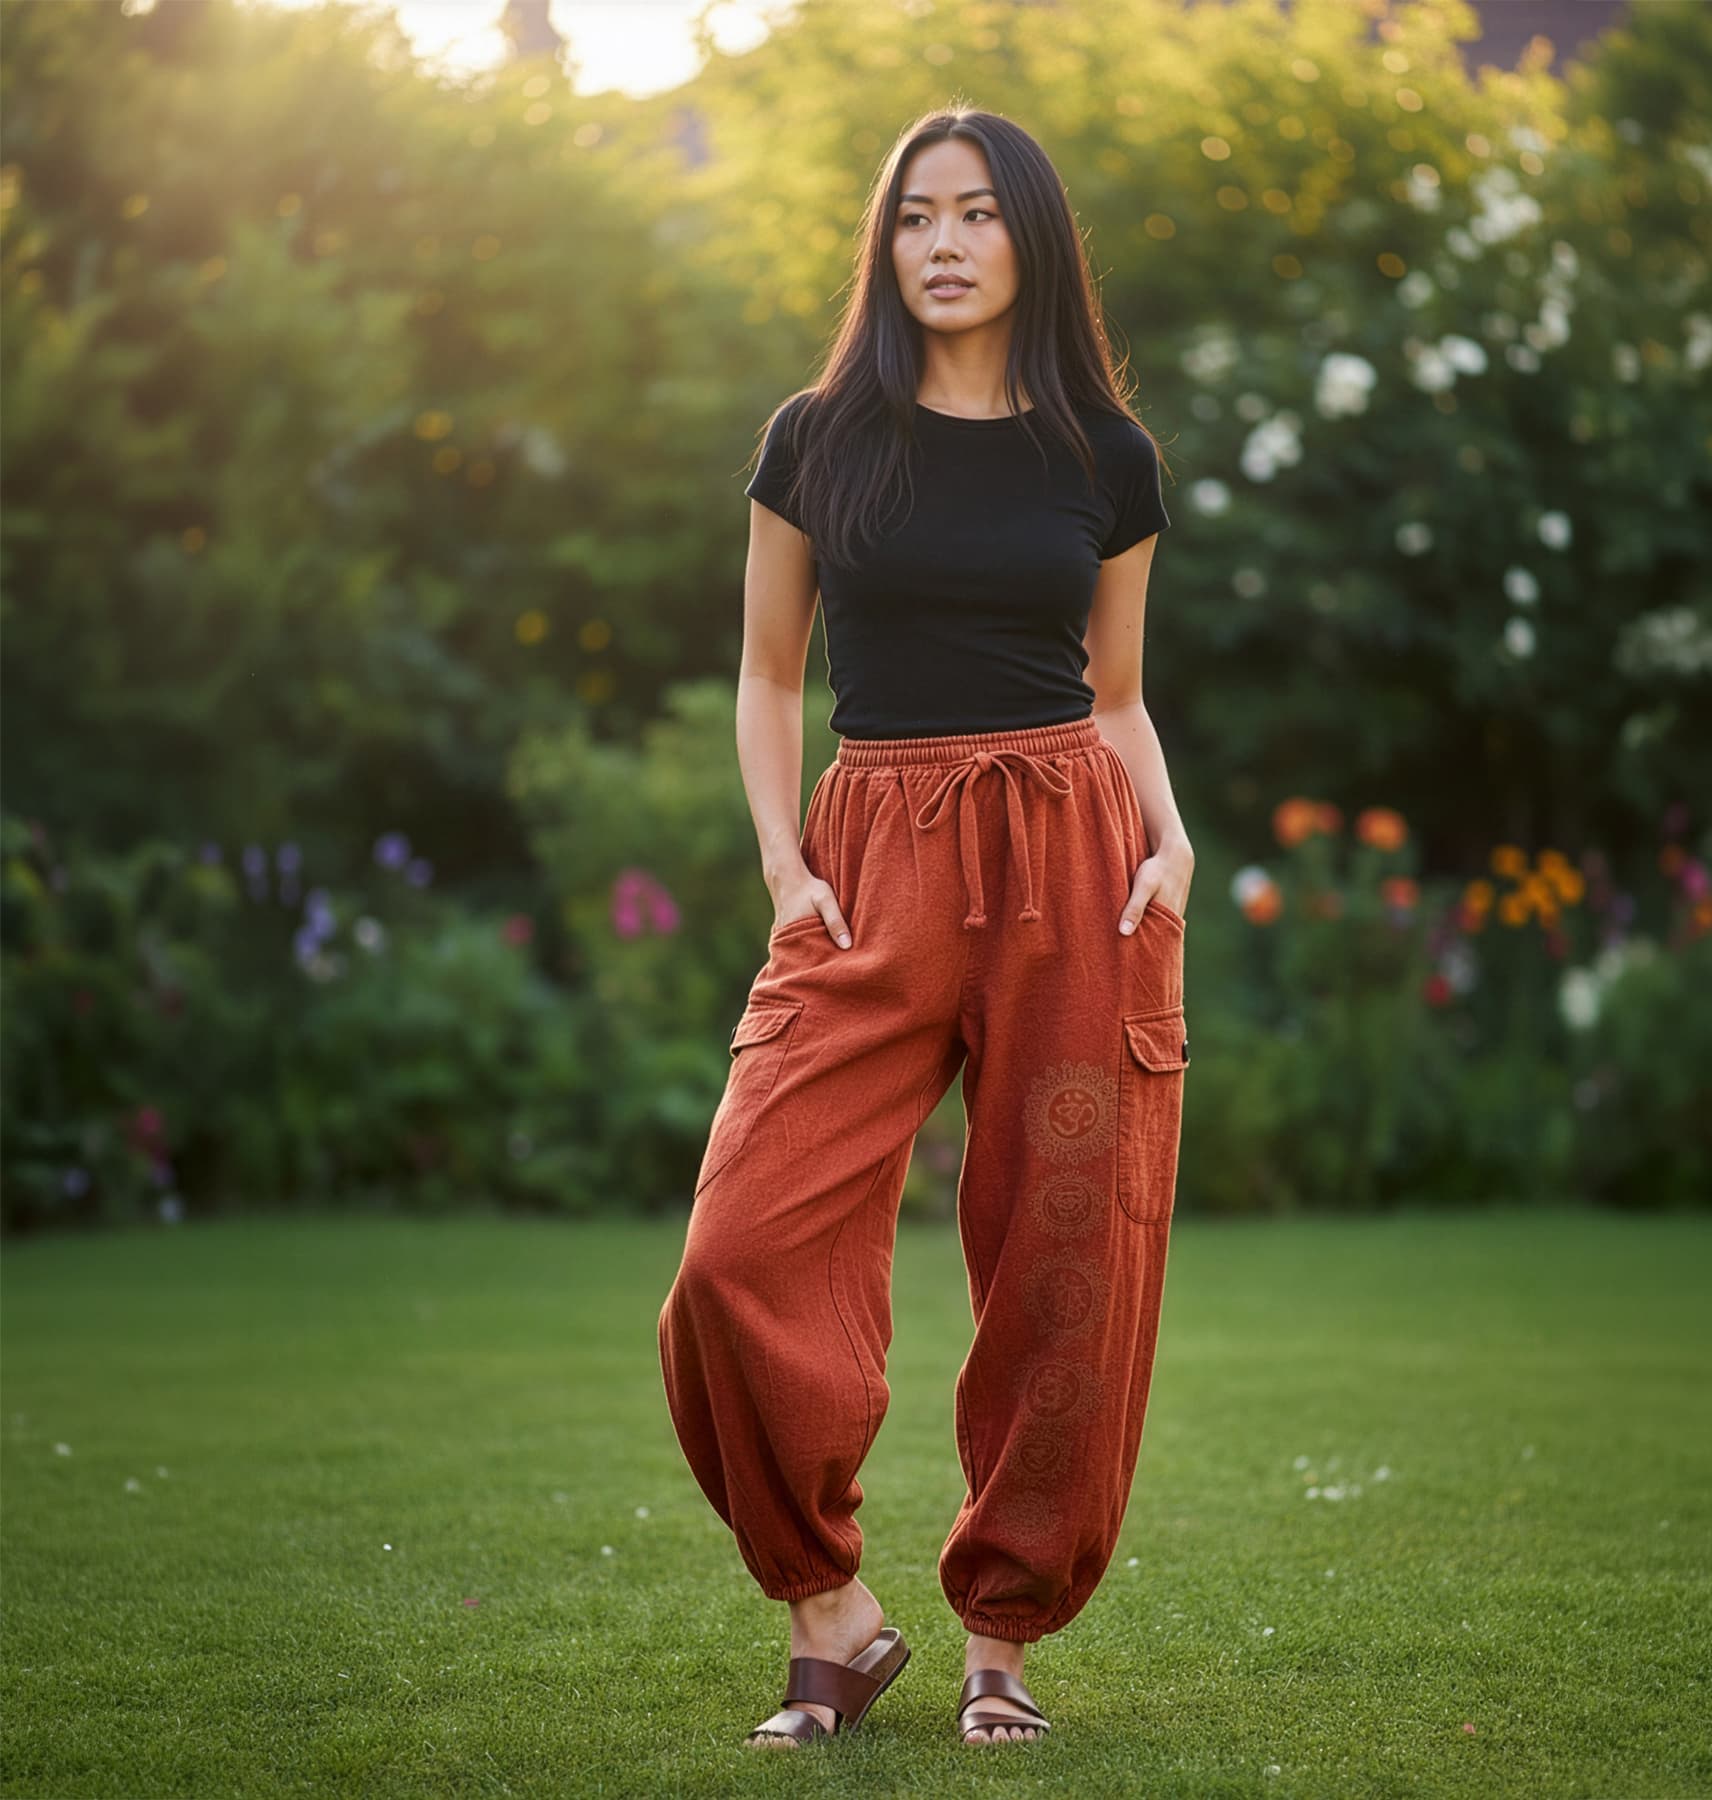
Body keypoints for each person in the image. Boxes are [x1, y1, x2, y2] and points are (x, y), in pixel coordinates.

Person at [655, 104, 1192, 1751]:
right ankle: (829, 1608)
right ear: (883, 247)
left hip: (1075, 869)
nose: (941, 242)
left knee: (1068, 1256)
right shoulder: (816, 435)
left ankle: (1001, 1641)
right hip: (869, 856)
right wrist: (781, 867)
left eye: (973, 213)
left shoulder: (1104, 456)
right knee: (739, 1250)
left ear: (1029, 237)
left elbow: (1117, 695)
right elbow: (763, 674)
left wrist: (1171, 838)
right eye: (911, 217)